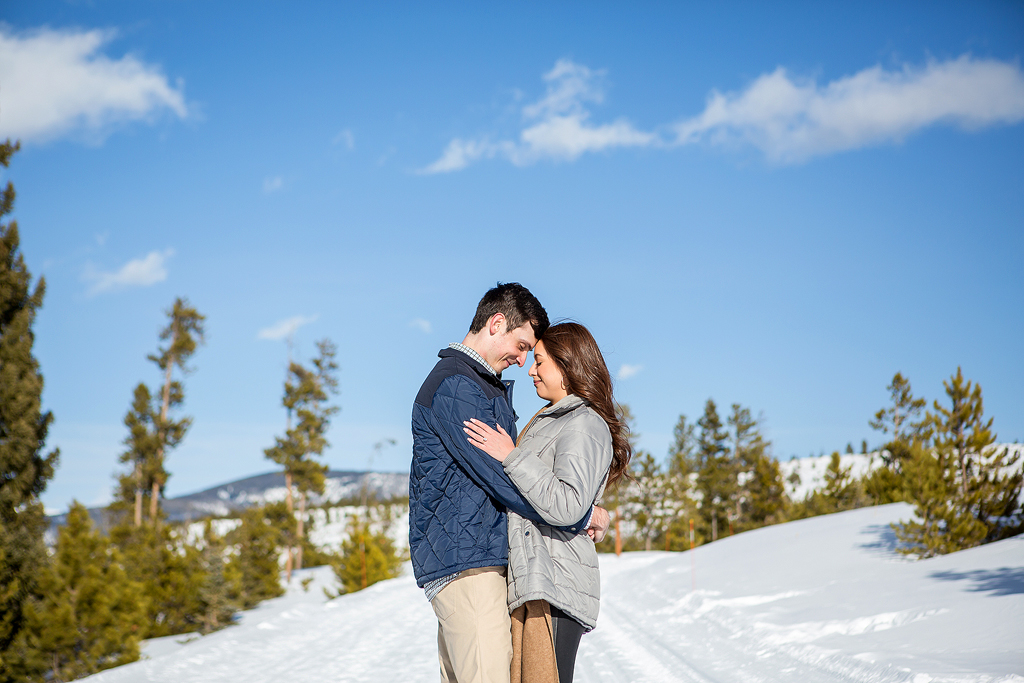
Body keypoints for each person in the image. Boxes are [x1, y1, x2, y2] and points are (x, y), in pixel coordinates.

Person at [410, 284, 609, 683]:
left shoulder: (476, 384)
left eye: (532, 355)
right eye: (521, 347)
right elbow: (502, 478)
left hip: (474, 560)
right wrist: (581, 514)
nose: (522, 362)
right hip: (470, 565)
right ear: (496, 323)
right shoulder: (458, 388)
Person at [463, 322, 632, 683]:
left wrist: (511, 455)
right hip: (534, 580)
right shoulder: (550, 419)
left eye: (539, 361)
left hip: (556, 582)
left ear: (567, 366)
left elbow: (568, 504)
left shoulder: (584, 422)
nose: (531, 370)